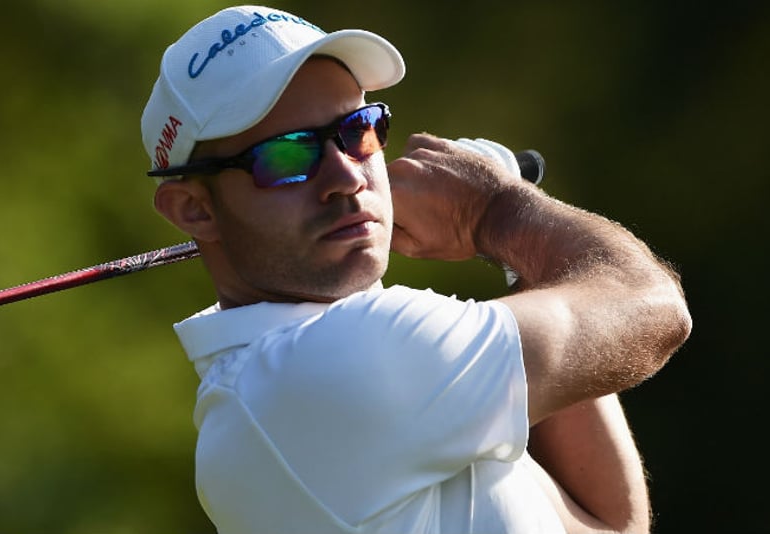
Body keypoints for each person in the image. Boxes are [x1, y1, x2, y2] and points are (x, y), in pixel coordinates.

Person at [139, 6, 691, 534]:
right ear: (195, 209)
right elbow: (653, 307)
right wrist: (496, 211)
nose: (347, 176)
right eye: (286, 156)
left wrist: (515, 251)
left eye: (357, 130)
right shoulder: (329, 364)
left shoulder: (282, 386)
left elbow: (613, 524)